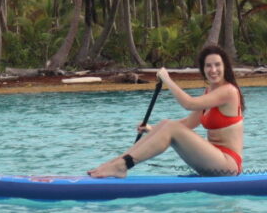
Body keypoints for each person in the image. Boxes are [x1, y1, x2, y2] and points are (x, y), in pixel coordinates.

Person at [88, 45, 245, 178]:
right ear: (203, 69)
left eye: (217, 65)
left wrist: (167, 80)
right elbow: (188, 123)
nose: (213, 70)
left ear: (225, 67)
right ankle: (115, 163)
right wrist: (152, 129)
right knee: (166, 124)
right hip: (213, 161)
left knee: (170, 126)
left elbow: (189, 104)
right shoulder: (209, 92)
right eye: (208, 66)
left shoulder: (229, 91)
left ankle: (123, 165)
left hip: (228, 165)